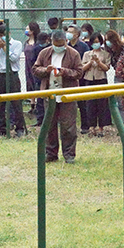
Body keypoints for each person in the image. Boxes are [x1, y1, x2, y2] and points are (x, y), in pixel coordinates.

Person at [33, 31, 83, 163]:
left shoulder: (73, 54)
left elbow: (79, 72)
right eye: (56, 45)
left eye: (61, 44)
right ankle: (51, 153)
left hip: (67, 95)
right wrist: (46, 70)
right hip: (49, 94)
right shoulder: (44, 53)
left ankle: (69, 155)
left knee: (68, 126)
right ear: (51, 42)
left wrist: (64, 72)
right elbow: (35, 69)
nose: (59, 47)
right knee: (50, 125)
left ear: (66, 41)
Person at [81, 32, 112, 137]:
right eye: (94, 42)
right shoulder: (87, 54)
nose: (96, 44)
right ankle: (91, 126)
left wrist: (98, 62)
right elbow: (82, 68)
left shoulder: (106, 54)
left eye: (97, 42)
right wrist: (90, 62)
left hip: (101, 79)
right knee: (90, 104)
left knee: (102, 104)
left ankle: (101, 127)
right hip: (89, 80)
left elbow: (106, 68)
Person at [66, 25, 90, 133]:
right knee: (69, 104)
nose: (68, 33)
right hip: (68, 77)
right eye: (68, 31)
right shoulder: (66, 46)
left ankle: (85, 126)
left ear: (77, 34)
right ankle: (69, 126)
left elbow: (86, 61)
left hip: (81, 78)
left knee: (82, 103)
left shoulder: (83, 47)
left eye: (71, 32)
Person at [32, 32, 51, 127]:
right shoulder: (36, 49)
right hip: (39, 77)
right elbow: (34, 64)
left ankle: (51, 119)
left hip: (51, 76)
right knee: (40, 99)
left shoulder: (51, 48)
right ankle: (40, 119)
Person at [24, 22, 40, 114]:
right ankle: (32, 104)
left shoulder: (37, 43)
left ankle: (39, 105)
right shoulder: (26, 42)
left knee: (36, 83)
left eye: (28, 29)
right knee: (30, 83)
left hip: (35, 65)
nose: (26, 31)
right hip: (28, 66)